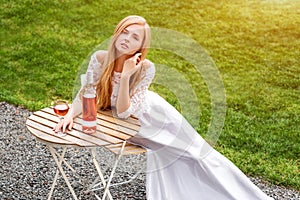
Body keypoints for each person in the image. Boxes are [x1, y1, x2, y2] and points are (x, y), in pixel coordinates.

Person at [54, 15, 273, 200]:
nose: (127, 39)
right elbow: (87, 92)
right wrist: (71, 115)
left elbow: (122, 112)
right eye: (125, 32)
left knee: (198, 155)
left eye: (135, 37)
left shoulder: (146, 68)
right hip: (129, 126)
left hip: (155, 120)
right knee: (176, 160)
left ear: (141, 46)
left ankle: (246, 195)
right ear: (117, 33)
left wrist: (128, 74)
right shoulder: (99, 58)